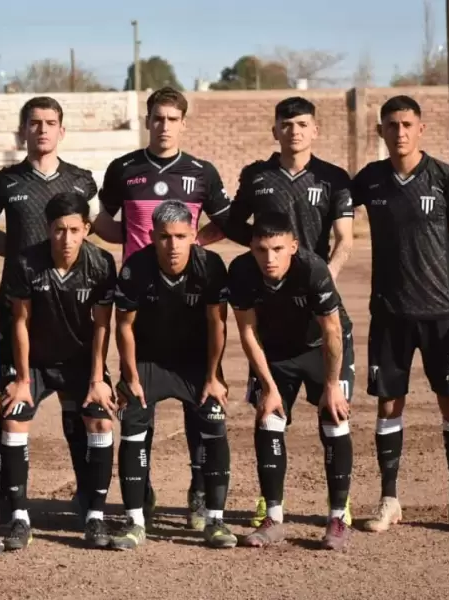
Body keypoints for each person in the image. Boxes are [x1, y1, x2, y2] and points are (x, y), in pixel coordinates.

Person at [96, 86, 233, 530]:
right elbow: (103, 220)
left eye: (173, 119)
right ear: (148, 120)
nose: (164, 125)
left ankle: (198, 490)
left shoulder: (201, 172)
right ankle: (145, 486)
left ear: (183, 123)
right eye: (157, 118)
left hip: (188, 299)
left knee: (201, 403)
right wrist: (138, 250)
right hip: (141, 294)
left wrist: (193, 244)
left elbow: (225, 222)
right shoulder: (124, 169)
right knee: (139, 398)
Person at [216, 96, 356, 527]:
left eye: (302, 124)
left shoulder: (333, 178)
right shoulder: (256, 176)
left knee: (333, 411)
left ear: (315, 130)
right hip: (272, 313)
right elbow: (237, 224)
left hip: (316, 307)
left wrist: (318, 283)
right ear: (274, 130)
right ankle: (270, 506)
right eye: (286, 124)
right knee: (269, 415)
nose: (294, 131)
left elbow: (345, 240)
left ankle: (340, 508)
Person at [0, 96, 109, 522]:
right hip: (25, 302)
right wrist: (13, 251)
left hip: (70, 313)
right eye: (35, 123)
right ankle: (15, 512)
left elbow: (95, 228)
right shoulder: (6, 181)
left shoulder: (83, 181)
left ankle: (90, 500)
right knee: (16, 407)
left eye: (50, 123)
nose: (43, 130)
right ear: (23, 131)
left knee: (79, 409)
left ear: (61, 131)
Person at [352, 95, 449, 534]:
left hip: (442, 314)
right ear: (380, 131)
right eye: (391, 125)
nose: (400, 132)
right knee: (389, 404)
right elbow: (330, 214)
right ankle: (389, 500)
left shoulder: (445, 178)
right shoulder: (370, 180)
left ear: (421, 128)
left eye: (407, 124)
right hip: (390, 315)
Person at [109, 200, 233, 550]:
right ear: (151, 236)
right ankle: (134, 519)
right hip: (149, 361)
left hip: (195, 363)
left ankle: (215, 519)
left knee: (213, 420)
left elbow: (217, 324)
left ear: (194, 235)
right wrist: (130, 376)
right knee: (132, 422)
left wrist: (213, 376)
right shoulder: (136, 267)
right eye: (164, 237)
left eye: (181, 236)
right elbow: (124, 327)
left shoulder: (210, 265)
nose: (173, 244)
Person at [227, 211, 355, 551]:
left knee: (334, 417)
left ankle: (338, 518)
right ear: (251, 247)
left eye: (278, 249)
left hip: (321, 347)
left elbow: (332, 330)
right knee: (268, 419)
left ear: (293, 246)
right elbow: (248, 331)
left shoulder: (313, 269)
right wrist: (267, 386)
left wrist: (331, 385)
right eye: (261, 249)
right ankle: (273, 518)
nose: (269, 258)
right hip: (275, 352)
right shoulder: (240, 272)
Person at [1, 192, 118, 550]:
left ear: (86, 228)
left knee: (101, 418)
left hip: (80, 362)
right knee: (13, 416)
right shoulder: (25, 262)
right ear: (47, 229)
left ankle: (95, 516)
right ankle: (19, 517)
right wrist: (21, 380)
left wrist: (97, 380)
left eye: (73, 229)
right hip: (34, 362)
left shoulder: (100, 263)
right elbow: (20, 322)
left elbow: (102, 326)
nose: (66, 239)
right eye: (58, 230)